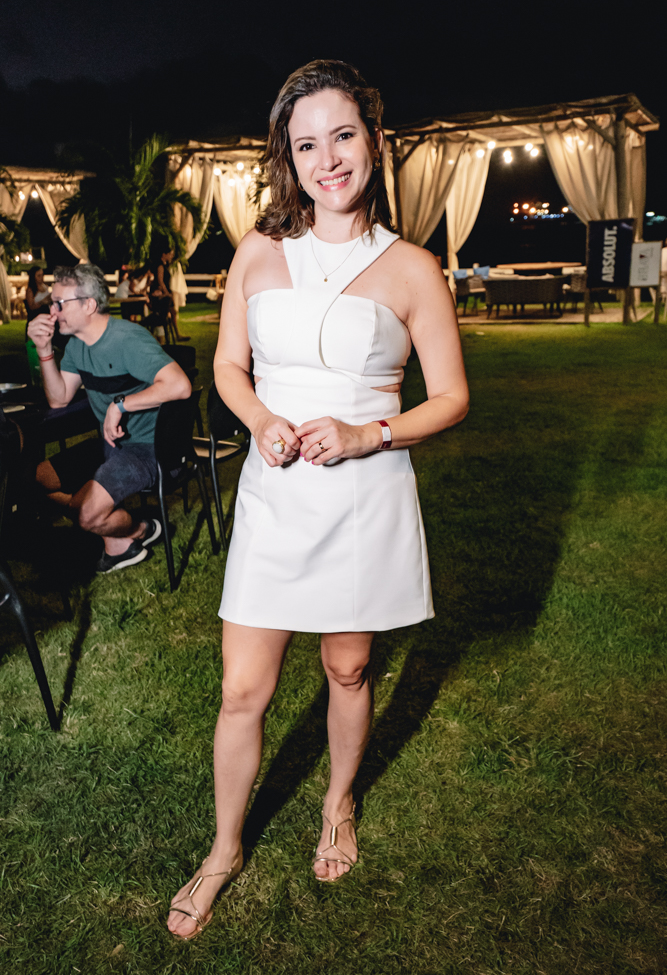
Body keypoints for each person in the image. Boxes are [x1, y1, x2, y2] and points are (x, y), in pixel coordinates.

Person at [167, 60, 469, 940]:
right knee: (241, 689)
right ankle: (224, 848)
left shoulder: (412, 268)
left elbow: (451, 397)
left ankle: (337, 804)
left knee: (347, 669)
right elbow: (229, 366)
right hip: (276, 494)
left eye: (342, 136)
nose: (327, 159)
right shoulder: (258, 251)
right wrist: (262, 419)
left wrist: (370, 434)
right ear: (287, 158)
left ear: (374, 140)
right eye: (306, 145)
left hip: (363, 494)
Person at [27, 263, 191, 573]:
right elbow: (59, 398)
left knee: (87, 515)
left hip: (149, 448)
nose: (52, 311)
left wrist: (120, 405)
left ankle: (135, 528)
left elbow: (180, 386)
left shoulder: (128, 339)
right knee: (36, 478)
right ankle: (124, 534)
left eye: (59, 303)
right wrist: (44, 350)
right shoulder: (77, 345)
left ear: (88, 305)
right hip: (111, 446)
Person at [149, 248, 190, 341]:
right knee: (165, 314)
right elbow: (160, 280)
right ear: (164, 254)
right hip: (161, 294)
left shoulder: (165, 265)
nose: (171, 256)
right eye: (170, 254)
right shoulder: (160, 266)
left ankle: (176, 334)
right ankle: (168, 335)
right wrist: (166, 293)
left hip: (164, 292)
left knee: (173, 312)